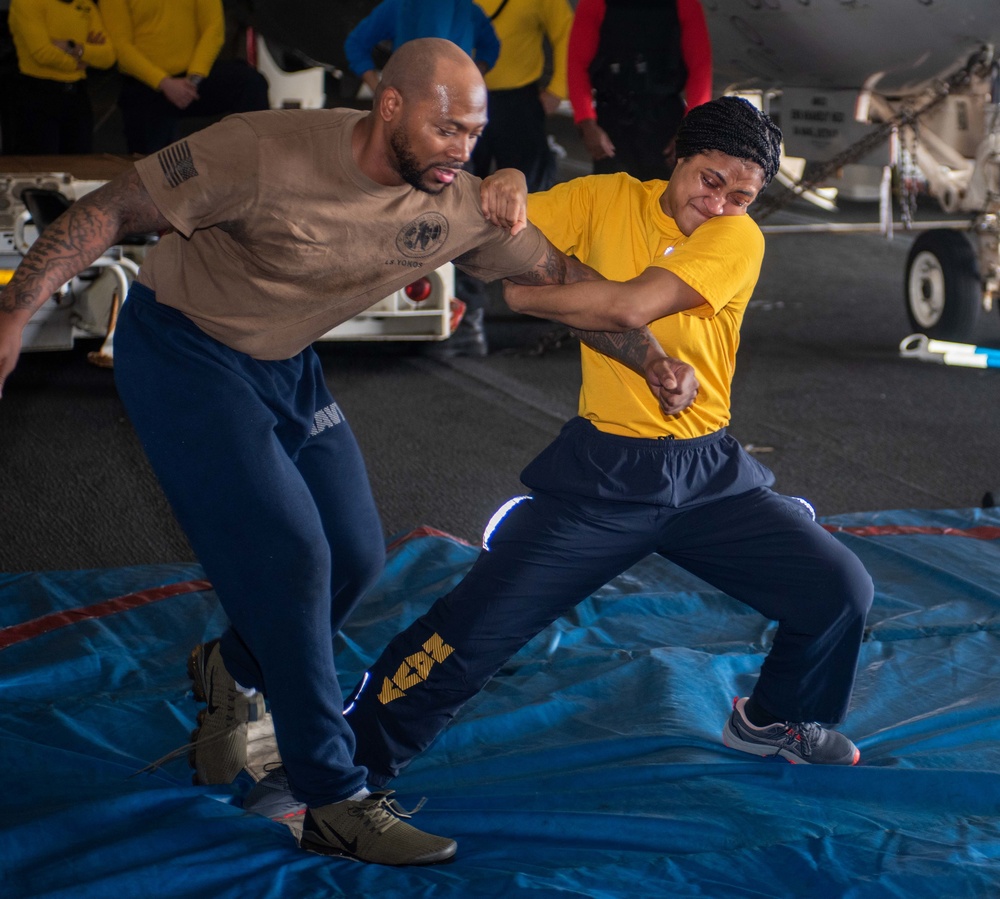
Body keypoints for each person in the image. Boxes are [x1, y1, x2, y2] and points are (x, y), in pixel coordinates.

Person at [0, 38, 694, 866]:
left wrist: (647, 353)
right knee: (293, 555)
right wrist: (14, 315)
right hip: (184, 349)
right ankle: (331, 794)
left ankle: (231, 665)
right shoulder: (260, 152)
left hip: (285, 362)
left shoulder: (456, 199)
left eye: (473, 135)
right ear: (389, 107)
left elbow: (560, 273)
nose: (461, 151)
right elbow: (110, 207)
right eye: (445, 129)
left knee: (358, 555)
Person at [338, 96, 875, 796]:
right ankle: (346, 762)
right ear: (677, 157)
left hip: (709, 473)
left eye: (741, 195)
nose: (718, 203)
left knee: (838, 589)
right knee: (472, 629)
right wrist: (509, 182)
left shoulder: (739, 238)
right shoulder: (607, 199)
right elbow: (495, 236)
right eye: (709, 180)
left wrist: (530, 299)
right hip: (609, 471)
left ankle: (773, 719)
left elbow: (627, 306)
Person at [100, 0, 269, 154]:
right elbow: (121, 47)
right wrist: (163, 82)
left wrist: (193, 79)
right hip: (146, 82)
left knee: (251, 83)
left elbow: (214, 28)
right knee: (150, 166)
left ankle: (256, 162)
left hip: (193, 78)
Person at [568, 0, 712, 180]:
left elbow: (700, 68)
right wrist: (587, 122)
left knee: (664, 201)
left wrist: (690, 131)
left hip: (666, 124)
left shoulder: (685, 4)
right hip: (613, 123)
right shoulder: (595, 3)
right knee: (611, 200)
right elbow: (577, 64)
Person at [6, 0, 115, 154]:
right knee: (40, 168)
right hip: (37, 95)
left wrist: (73, 47)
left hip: (77, 96)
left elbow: (108, 57)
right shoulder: (26, 3)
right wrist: (83, 60)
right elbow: (42, 53)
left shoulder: (86, 4)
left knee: (79, 167)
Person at [345, 0, 500, 95]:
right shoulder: (401, 6)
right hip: (408, 106)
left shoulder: (470, 12)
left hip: (454, 108)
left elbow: (491, 46)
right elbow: (356, 44)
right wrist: (379, 90)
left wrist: (473, 79)